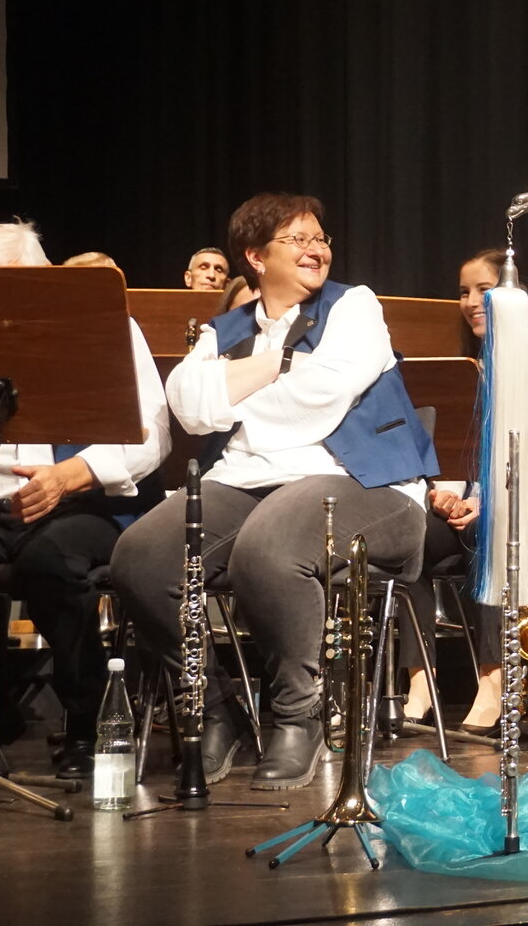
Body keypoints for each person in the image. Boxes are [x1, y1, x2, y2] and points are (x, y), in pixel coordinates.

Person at [110, 194, 437, 790]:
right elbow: (187, 406)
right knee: (141, 557)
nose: (316, 250)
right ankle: (215, 707)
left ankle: (297, 713)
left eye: (320, 238)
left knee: (268, 546)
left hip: (369, 485)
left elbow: (321, 399)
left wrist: (233, 394)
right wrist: (278, 364)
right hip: (246, 481)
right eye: (298, 240)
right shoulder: (224, 329)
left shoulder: (354, 306)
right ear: (256, 257)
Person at [0, 221, 169, 777]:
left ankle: (88, 720)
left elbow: (152, 435)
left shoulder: (108, 326)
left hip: (87, 501)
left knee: (50, 559)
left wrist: (69, 476)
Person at [400, 248, 528, 735]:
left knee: (493, 535)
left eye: (483, 290)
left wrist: (494, 500)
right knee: (405, 542)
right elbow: (445, 446)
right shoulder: (459, 365)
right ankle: (420, 679)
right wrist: (443, 494)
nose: (470, 302)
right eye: (463, 292)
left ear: (515, 296)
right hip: (469, 505)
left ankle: (494, 680)